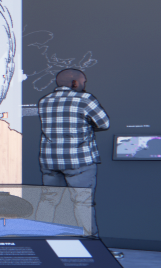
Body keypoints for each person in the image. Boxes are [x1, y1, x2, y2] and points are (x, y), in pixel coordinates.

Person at [36, 68, 111, 235]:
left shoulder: (45, 100)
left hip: (50, 161)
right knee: (83, 203)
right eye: (83, 82)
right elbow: (104, 124)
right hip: (79, 161)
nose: (84, 85)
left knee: (48, 201)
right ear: (75, 83)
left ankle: (39, 239)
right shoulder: (85, 99)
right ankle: (91, 243)